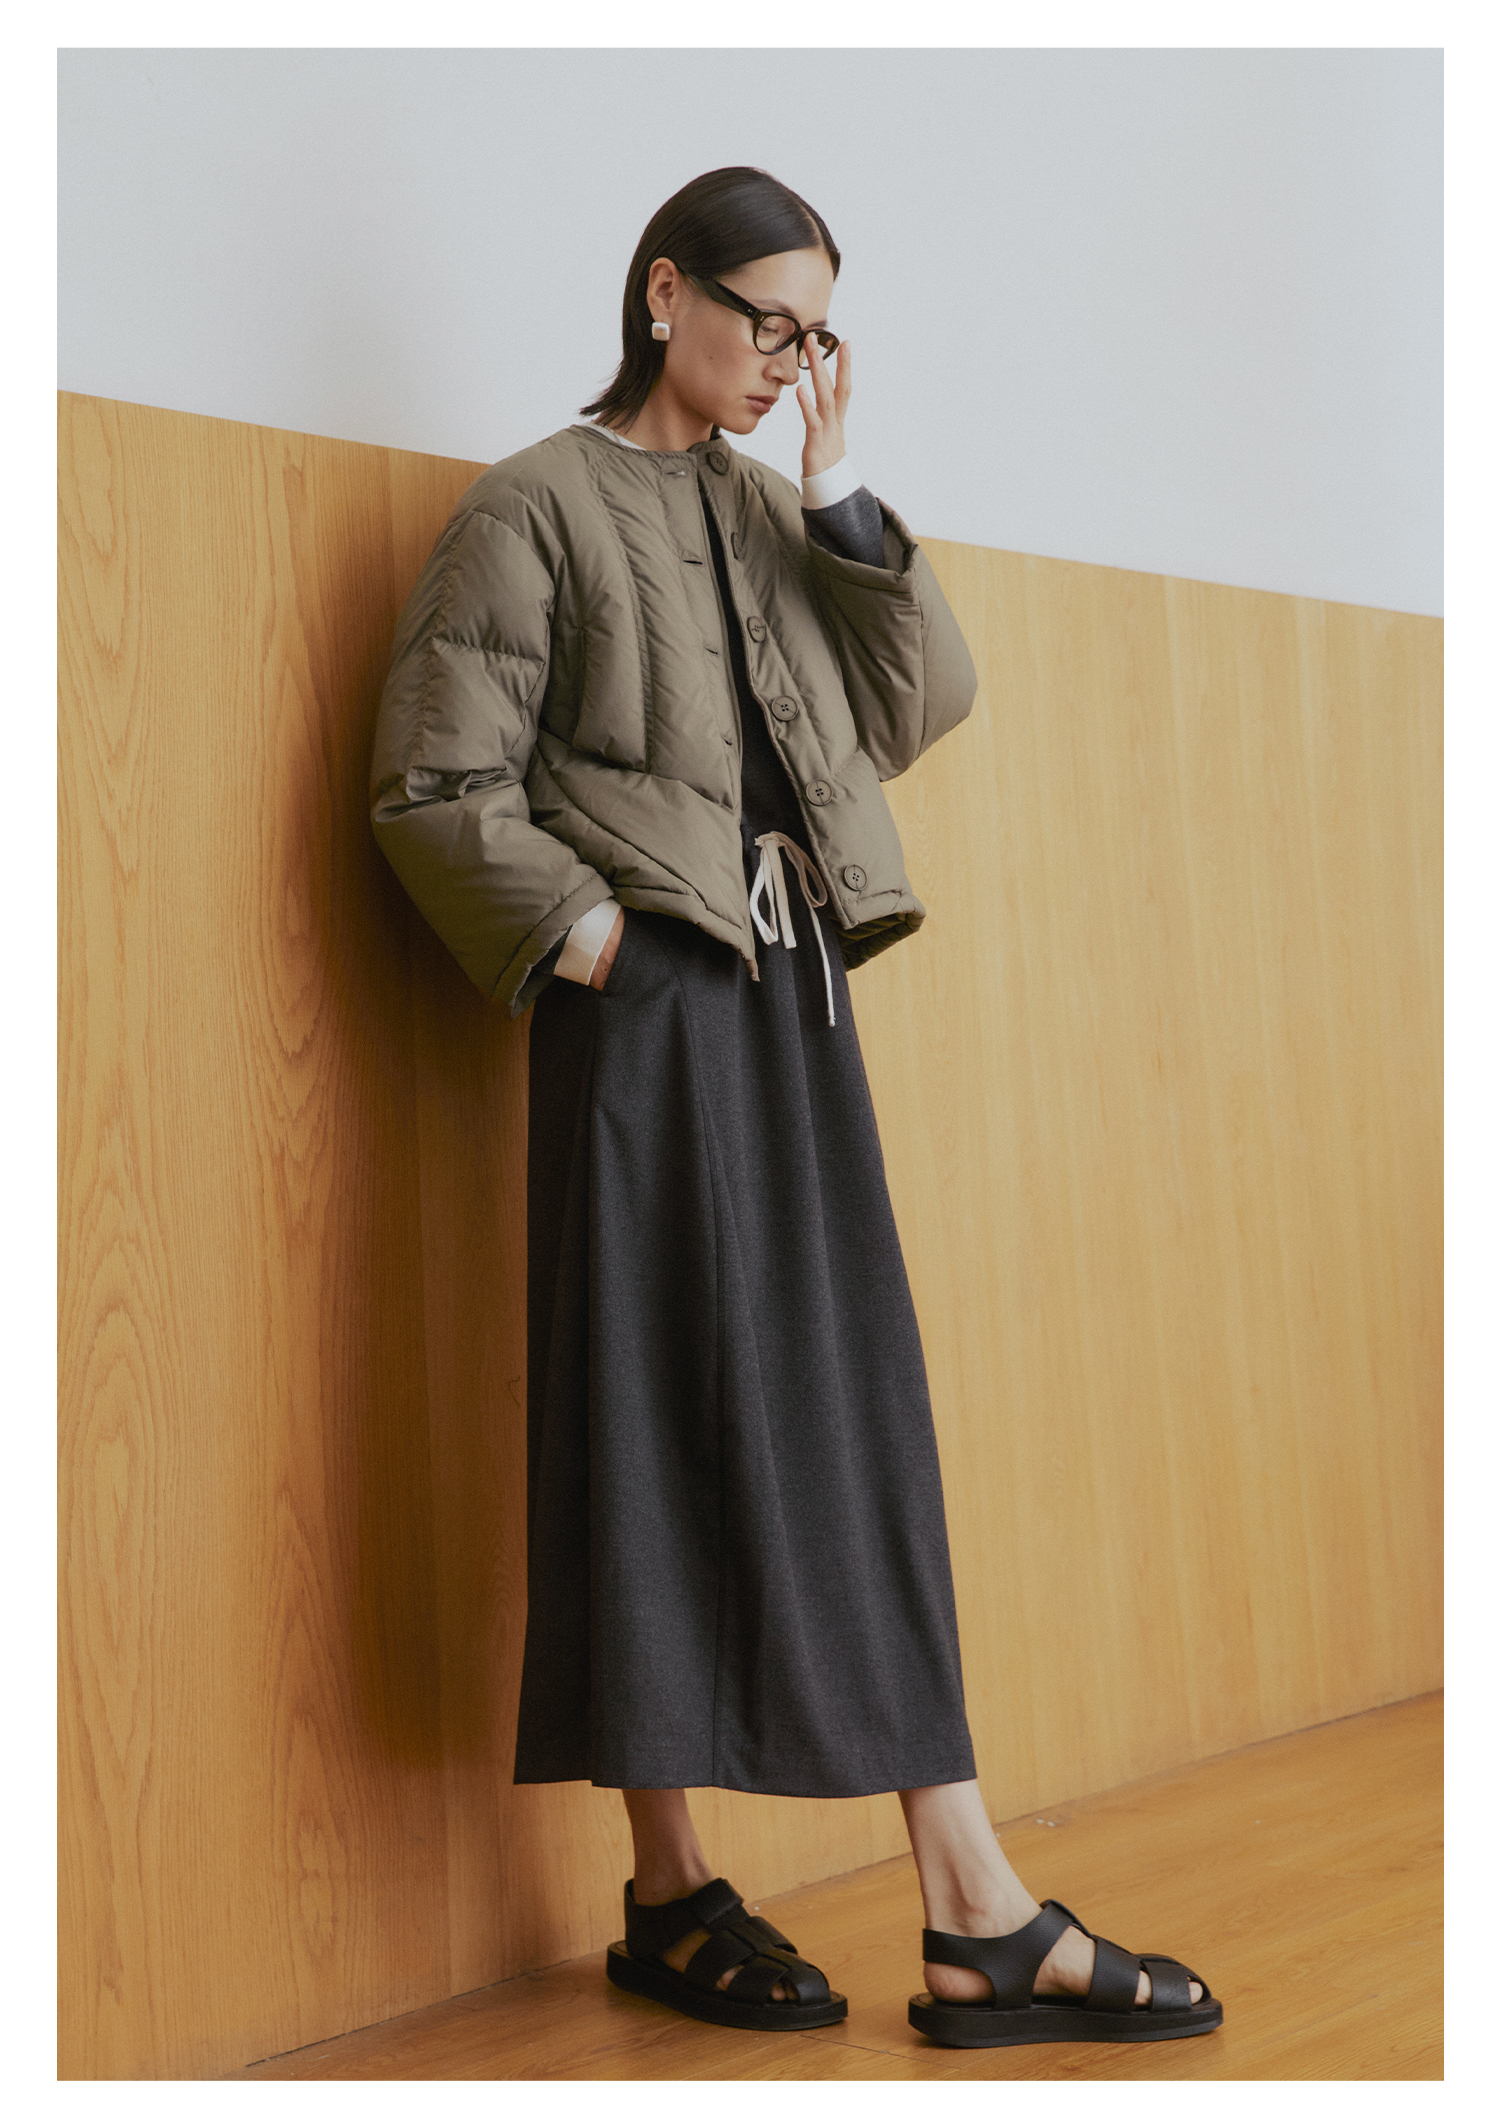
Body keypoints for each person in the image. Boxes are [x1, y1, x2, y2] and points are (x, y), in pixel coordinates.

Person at [368, 165, 1221, 2050]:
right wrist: (598, 941)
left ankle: (965, 1898)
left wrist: (841, 496)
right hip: (649, 1013)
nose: (788, 361)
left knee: (856, 1413)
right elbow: (433, 789)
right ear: (663, 292)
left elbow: (911, 710)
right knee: (644, 1414)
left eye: (816, 333)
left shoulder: (774, 511)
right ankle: (686, 1887)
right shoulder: (531, 507)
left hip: (796, 999)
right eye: (767, 320)